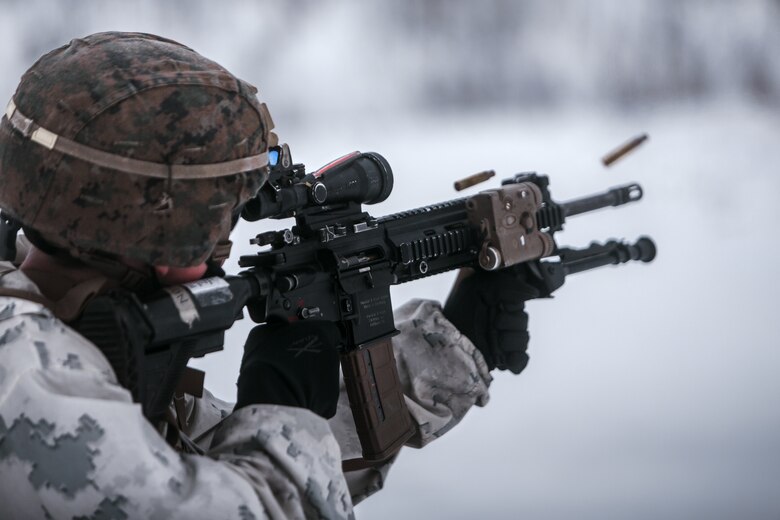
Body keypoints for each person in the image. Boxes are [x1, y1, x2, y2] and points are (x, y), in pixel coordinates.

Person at [0, 32, 536, 519]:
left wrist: (453, 346)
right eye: (217, 223)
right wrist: (285, 406)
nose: (222, 253)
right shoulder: (30, 377)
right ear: (165, 240)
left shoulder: (43, 336)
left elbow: (209, 470)